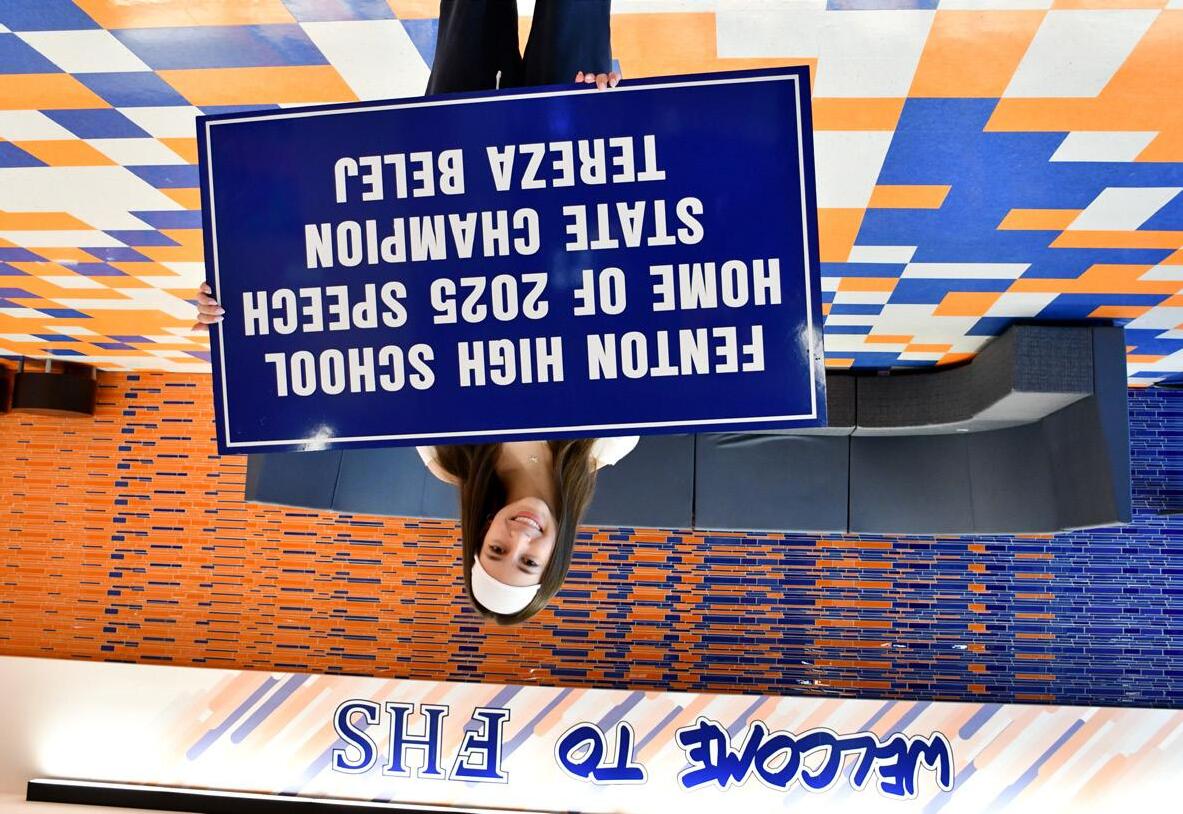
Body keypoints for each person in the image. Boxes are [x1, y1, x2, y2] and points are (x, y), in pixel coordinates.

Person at [194, 0, 635, 625]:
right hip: (562, 172)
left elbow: (375, 324)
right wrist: (612, 123)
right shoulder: (608, 440)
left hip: (454, 176)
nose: (519, 538)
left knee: (471, 13)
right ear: (555, 557)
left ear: (479, 535)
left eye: (497, 551)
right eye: (529, 561)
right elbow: (636, 274)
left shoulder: (443, 451)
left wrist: (242, 311)